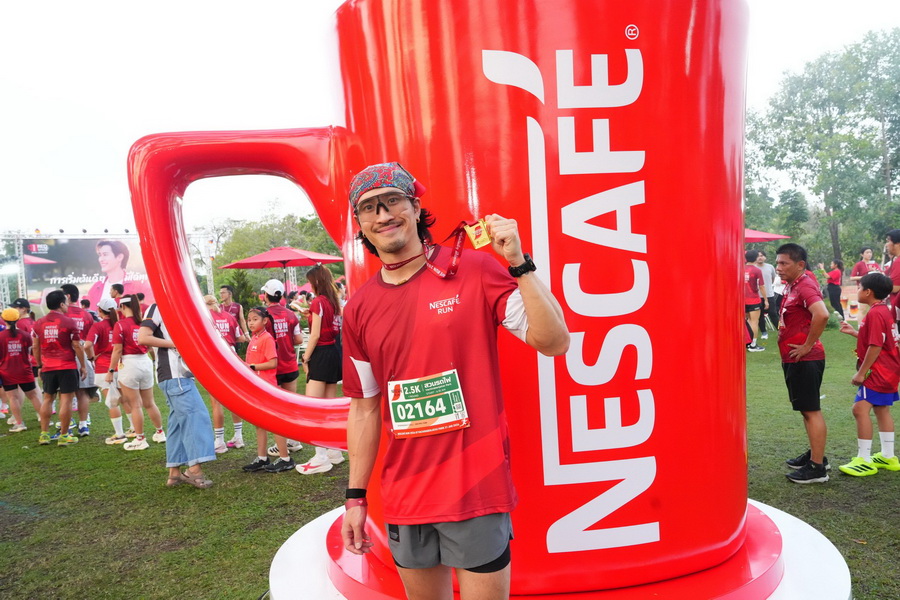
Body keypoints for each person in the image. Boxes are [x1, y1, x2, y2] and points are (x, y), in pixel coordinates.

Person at [339, 163, 569, 599]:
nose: (383, 215)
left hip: (475, 488)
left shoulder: (473, 268)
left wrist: (519, 263)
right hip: (406, 495)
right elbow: (364, 409)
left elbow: (554, 341)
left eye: (393, 201)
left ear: (415, 207)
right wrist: (355, 497)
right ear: (360, 224)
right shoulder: (359, 309)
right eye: (369, 208)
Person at [138, 303, 215, 488]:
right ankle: (194, 471)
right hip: (175, 376)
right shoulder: (159, 307)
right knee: (195, 417)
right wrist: (177, 344)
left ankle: (174, 473)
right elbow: (143, 337)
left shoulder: (176, 307)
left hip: (175, 376)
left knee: (178, 424)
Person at [776, 243, 831, 484]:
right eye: (777, 263)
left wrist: (808, 345)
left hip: (805, 358)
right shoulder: (794, 284)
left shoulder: (805, 285)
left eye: (784, 263)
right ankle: (816, 455)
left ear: (800, 265)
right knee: (806, 410)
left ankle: (817, 468)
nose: (779, 268)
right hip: (796, 358)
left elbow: (822, 314)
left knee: (811, 411)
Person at [837, 272, 900, 476]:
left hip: (878, 371)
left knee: (859, 409)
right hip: (890, 369)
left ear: (868, 292)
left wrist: (861, 373)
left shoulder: (875, 313)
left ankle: (863, 459)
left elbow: (875, 346)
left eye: (860, 287)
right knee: (881, 409)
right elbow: (879, 339)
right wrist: (855, 333)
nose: (858, 290)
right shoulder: (883, 310)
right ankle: (888, 456)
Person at [296, 265, 345, 475]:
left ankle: (321, 456)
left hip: (321, 353)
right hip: (334, 352)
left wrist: (305, 357)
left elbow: (315, 335)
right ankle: (334, 451)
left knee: (314, 408)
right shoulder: (333, 301)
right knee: (329, 407)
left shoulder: (318, 302)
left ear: (316, 282)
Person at [107, 295, 165, 451]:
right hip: (145, 362)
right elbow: (150, 346)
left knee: (135, 405)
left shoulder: (120, 324)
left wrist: (110, 370)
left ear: (123, 307)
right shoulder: (143, 323)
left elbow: (117, 350)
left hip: (129, 364)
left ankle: (140, 439)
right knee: (150, 402)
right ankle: (160, 432)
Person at [32, 290, 87, 446]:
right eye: (66, 303)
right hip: (67, 366)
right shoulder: (69, 322)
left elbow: (35, 347)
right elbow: (77, 345)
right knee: (66, 400)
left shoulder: (39, 323)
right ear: (61, 304)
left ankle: (44, 435)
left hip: (48, 367)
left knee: (48, 399)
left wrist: (39, 365)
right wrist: (83, 366)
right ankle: (63, 436)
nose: (67, 305)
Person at [261, 279, 304, 472]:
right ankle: (293, 441)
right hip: (290, 365)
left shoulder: (264, 315)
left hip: (273, 368)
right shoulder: (291, 314)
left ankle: (283, 448)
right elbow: (298, 339)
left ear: (266, 295)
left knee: (276, 409)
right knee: (290, 405)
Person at [84, 298, 132, 445]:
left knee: (112, 402)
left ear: (100, 311)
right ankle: (133, 428)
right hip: (121, 366)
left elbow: (87, 345)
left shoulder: (98, 326)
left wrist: (91, 357)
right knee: (124, 399)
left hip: (104, 369)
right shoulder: (120, 324)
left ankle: (119, 434)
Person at [205, 294, 248, 453]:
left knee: (216, 401)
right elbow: (241, 338)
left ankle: (219, 441)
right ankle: (238, 437)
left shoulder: (205, 317)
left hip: (215, 358)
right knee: (234, 398)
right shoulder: (229, 316)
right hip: (231, 356)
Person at [241, 307, 281, 473]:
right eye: (249, 320)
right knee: (259, 423)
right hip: (257, 386)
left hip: (267, 387)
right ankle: (262, 457)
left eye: (255, 319)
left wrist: (251, 367)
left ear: (265, 321)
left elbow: (273, 363)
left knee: (274, 423)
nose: (251, 323)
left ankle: (285, 458)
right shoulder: (254, 338)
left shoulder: (267, 338)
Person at [61, 283, 98, 436]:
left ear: (67, 296)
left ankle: (68, 424)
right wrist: (91, 359)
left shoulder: (61, 314)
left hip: (66, 355)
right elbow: (89, 341)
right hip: (82, 353)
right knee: (82, 392)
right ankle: (83, 425)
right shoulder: (86, 315)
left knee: (65, 393)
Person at [0, 307, 41, 432]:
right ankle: (45, 419)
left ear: (3, 320)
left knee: (13, 398)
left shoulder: (1, 336)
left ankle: (19, 423)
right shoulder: (25, 335)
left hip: (7, 371)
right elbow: (29, 352)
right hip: (25, 370)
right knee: (33, 396)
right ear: (18, 319)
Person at [86, 240, 153, 309]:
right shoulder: (96, 287)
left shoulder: (140, 285)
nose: (101, 259)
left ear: (120, 257)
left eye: (105, 254)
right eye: (100, 255)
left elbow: (151, 309)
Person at [744, 250, 767, 351]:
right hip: (753, 299)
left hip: (742, 300)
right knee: (754, 322)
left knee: (747, 321)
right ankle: (753, 345)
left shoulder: (740, 269)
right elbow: (761, 286)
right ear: (756, 258)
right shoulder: (757, 270)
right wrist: (766, 300)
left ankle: (747, 342)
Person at [850, 247, 881, 319]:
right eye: (867, 252)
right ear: (862, 254)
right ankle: (861, 325)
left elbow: (881, 274)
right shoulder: (859, 264)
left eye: (870, 252)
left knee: (875, 309)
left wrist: (876, 271)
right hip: (864, 289)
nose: (869, 254)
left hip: (875, 289)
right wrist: (866, 277)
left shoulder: (875, 264)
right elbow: (852, 278)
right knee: (863, 309)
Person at [755, 251, 777, 341]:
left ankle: (780, 330)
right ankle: (764, 332)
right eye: (758, 256)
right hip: (757, 295)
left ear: (765, 257)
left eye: (762, 255)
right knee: (760, 315)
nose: (760, 257)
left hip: (769, 294)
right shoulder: (753, 268)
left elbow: (773, 279)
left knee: (773, 314)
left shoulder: (770, 267)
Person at [884, 230, 900, 325]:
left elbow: (895, 288)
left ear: (897, 243)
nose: (886, 245)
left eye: (888, 241)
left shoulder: (898, 262)